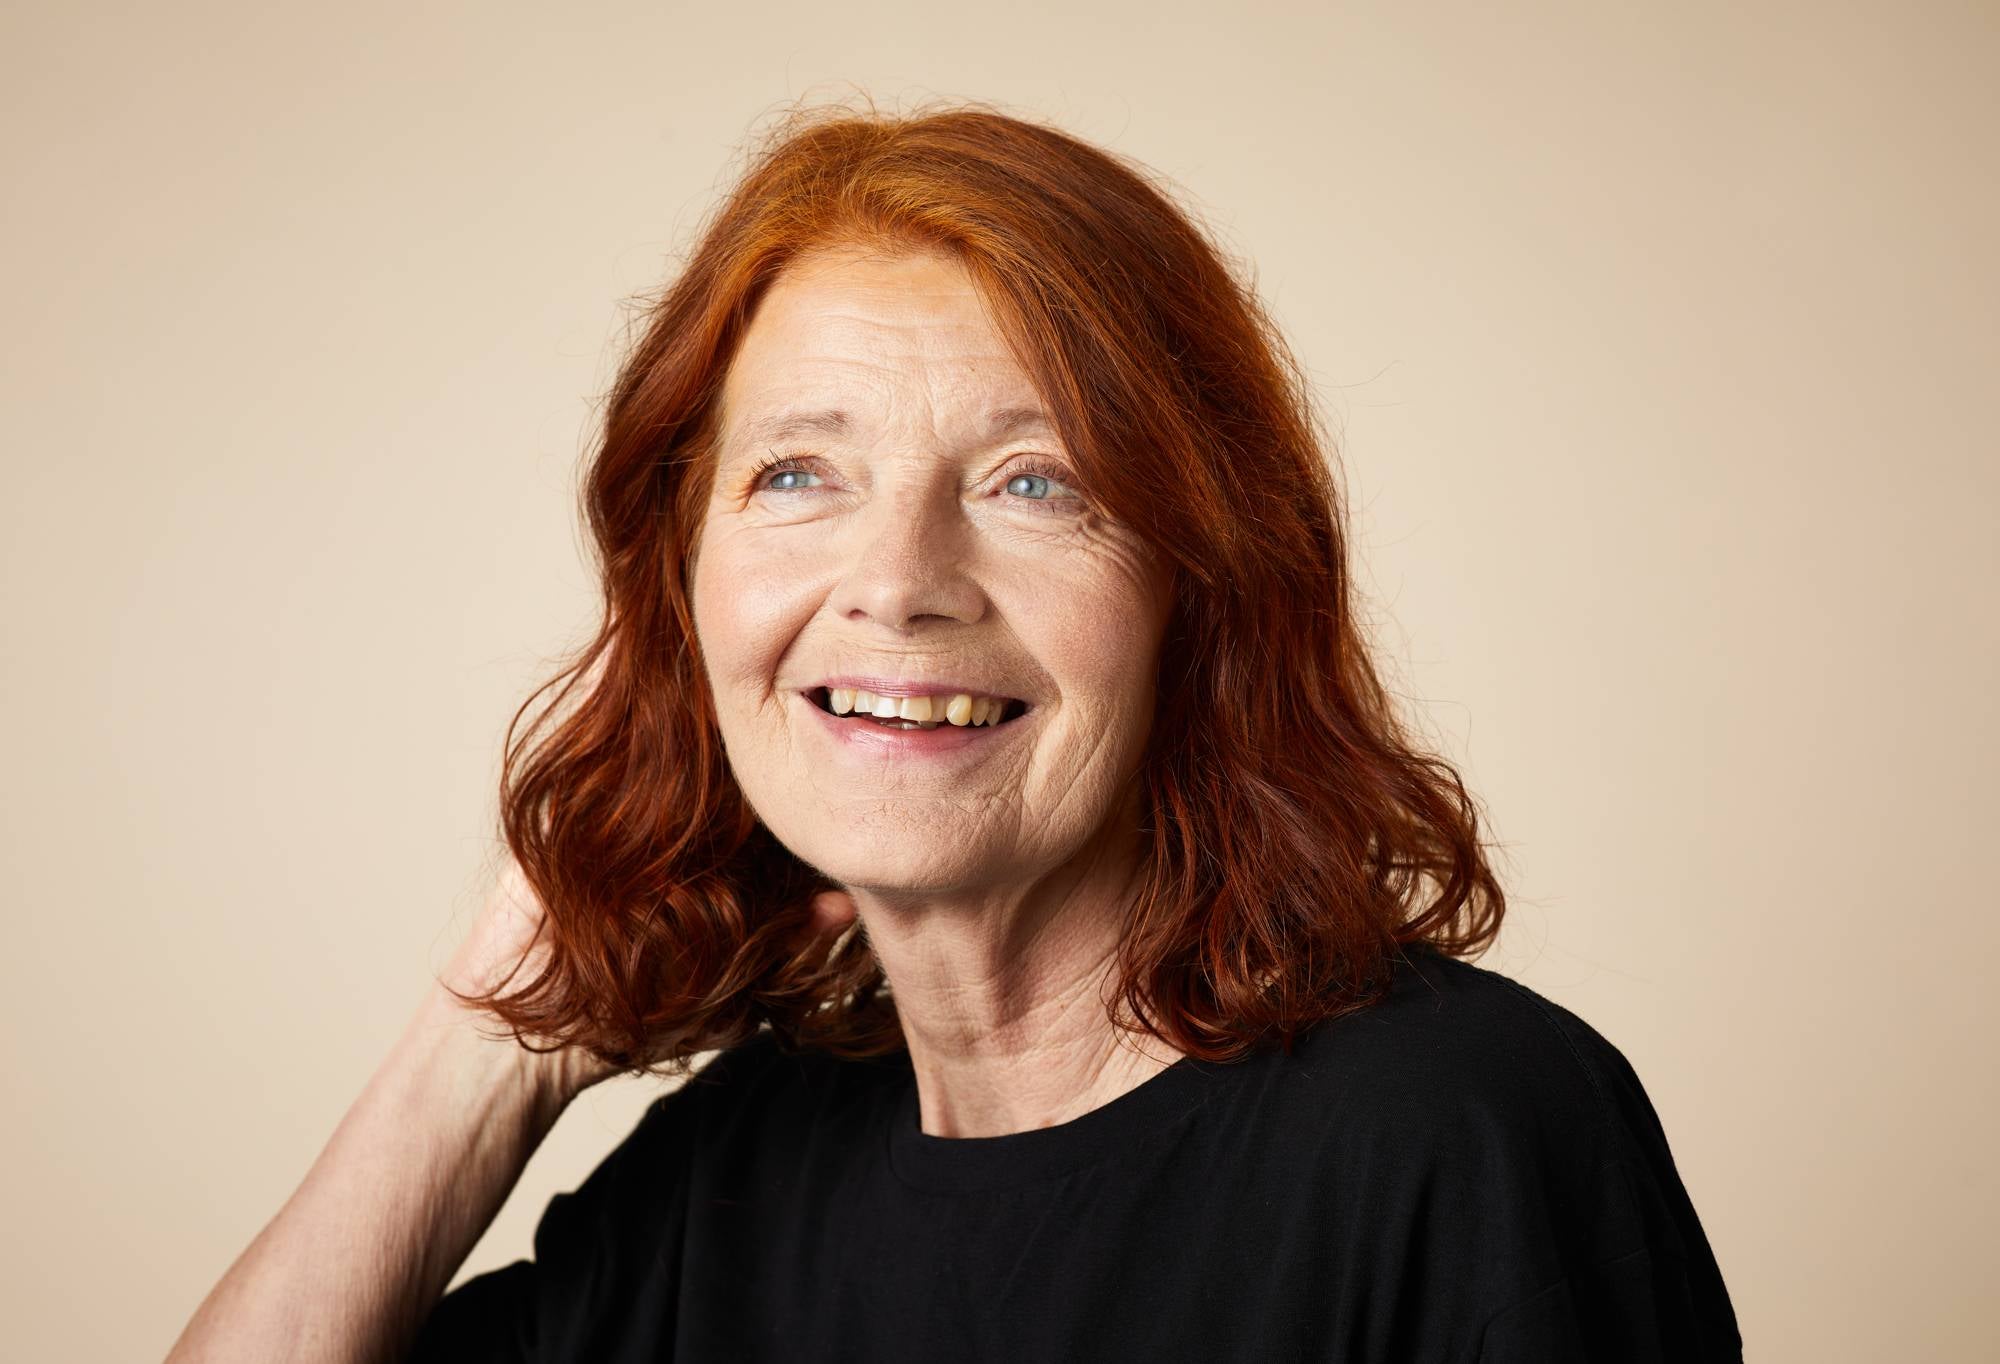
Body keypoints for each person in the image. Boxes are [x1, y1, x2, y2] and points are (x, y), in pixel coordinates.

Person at [166, 99, 1744, 1363]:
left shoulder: (1457, 1134)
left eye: (1035, 482)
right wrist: (483, 1052)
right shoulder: (730, 1182)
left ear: (1202, 590)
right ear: (684, 585)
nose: (900, 583)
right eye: (799, 473)